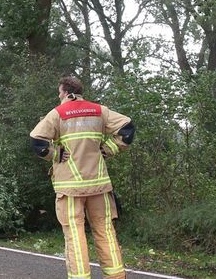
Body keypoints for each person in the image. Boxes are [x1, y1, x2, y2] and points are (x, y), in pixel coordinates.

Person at [30, 76, 134, 279]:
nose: (58, 95)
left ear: (66, 92)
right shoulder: (99, 111)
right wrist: (109, 149)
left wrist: (55, 154)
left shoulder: (57, 114)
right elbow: (127, 129)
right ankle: (116, 276)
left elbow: (37, 140)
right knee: (105, 231)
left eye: (59, 92)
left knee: (75, 235)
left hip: (70, 188)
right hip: (99, 186)